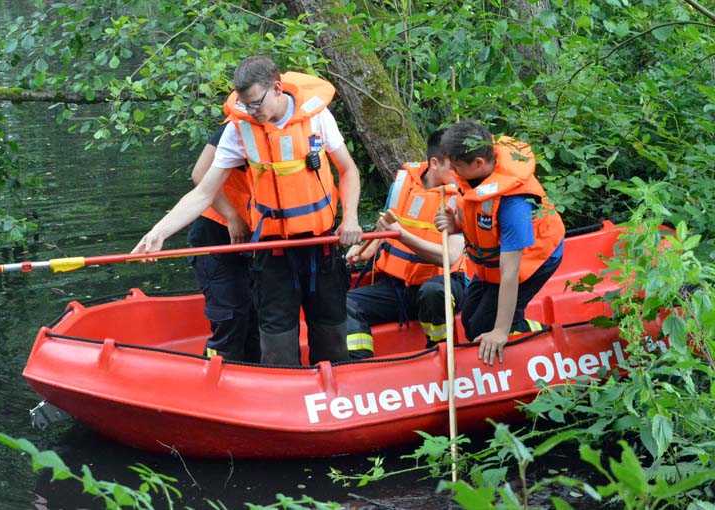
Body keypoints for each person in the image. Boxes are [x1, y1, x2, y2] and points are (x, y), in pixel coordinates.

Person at [132, 56, 362, 365]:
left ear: (277, 88)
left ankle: (333, 399)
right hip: (273, 252)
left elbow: (348, 171)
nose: (252, 112)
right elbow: (203, 191)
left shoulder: (317, 117)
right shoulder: (240, 130)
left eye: (255, 104)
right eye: (246, 105)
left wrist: (350, 218)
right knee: (277, 345)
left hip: (320, 247)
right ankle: (282, 399)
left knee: (332, 339)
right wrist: (158, 232)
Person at [435, 120, 565, 366]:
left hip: (535, 258)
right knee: (470, 319)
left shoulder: (513, 204)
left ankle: (527, 336)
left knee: (486, 327)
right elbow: (482, 223)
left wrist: (500, 332)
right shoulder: (475, 176)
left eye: (457, 167)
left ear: (479, 164)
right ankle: (511, 328)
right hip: (493, 261)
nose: (453, 172)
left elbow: (511, 271)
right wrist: (457, 226)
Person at [344, 129, 467, 359]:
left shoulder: (461, 195)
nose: (461, 171)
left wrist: (402, 236)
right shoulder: (404, 183)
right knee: (346, 303)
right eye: (454, 165)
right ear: (434, 163)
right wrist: (365, 250)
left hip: (446, 284)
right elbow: (386, 226)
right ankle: (359, 366)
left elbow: (450, 257)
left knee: (433, 293)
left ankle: (439, 352)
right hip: (398, 286)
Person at [186, 124, 260, 362]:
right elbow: (199, 174)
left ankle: (255, 374)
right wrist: (232, 217)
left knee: (256, 314)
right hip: (216, 232)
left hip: (255, 238)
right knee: (231, 314)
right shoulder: (235, 128)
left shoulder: (290, 128)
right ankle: (215, 372)